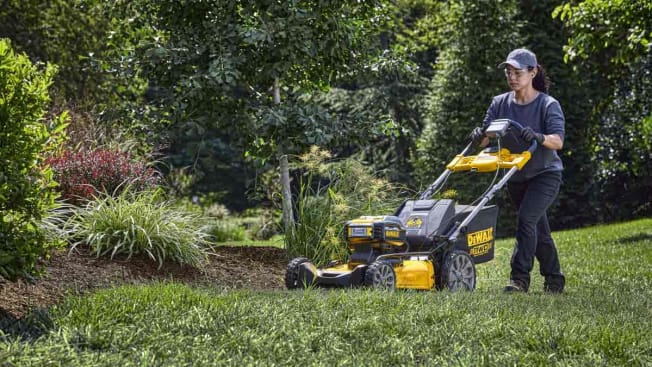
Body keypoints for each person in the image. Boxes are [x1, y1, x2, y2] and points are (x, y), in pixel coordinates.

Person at [470, 48, 566, 293]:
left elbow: (558, 141)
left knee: (526, 220)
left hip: (545, 173)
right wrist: (477, 136)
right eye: (508, 72)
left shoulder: (547, 104)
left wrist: (538, 136)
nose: (512, 77)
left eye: (517, 72)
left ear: (533, 73)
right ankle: (554, 279)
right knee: (536, 228)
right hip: (515, 174)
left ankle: (519, 278)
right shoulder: (500, 103)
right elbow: (485, 138)